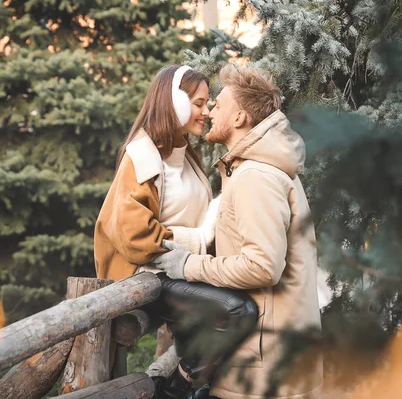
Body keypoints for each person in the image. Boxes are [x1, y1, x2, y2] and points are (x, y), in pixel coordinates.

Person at [151, 64, 326, 398]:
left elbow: (262, 266)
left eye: (219, 104)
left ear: (239, 118)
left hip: (263, 369)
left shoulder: (256, 177)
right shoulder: (258, 170)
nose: (210, 109)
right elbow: (232, 240)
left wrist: (187, 266)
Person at [93, 65, 258, 399]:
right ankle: (174, 390)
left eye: (208, 103)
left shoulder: (186, 155)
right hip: (144, 275)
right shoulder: (140, 155)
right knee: (239, 311)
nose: (207, 111)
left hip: (178, 270)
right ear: (175, 104)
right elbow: (134, 234)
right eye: (199, 103)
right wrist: (197, 238)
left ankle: (191, 388)